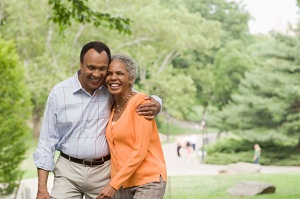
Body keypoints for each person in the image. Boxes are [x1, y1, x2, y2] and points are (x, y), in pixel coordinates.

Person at [33, 41, 162, 199]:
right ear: (81, 64)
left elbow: (134, 95)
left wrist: (157, 102)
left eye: (102, 69)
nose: (97, 74)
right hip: (68, 171)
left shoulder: (110, 88)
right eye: (91, 67)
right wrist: (42, 188)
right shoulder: (59, 93)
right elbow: (46, 142)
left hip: (104, 172)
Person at [97, 53, 167, 199]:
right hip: (123, 183)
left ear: (131, 79)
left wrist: (113, 185)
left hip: (148, 180)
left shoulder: (142, 103)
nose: (113, 78)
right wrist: (116, 182)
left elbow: (140, 150)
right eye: (109, 74)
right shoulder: (112, 106)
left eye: (119, 73)